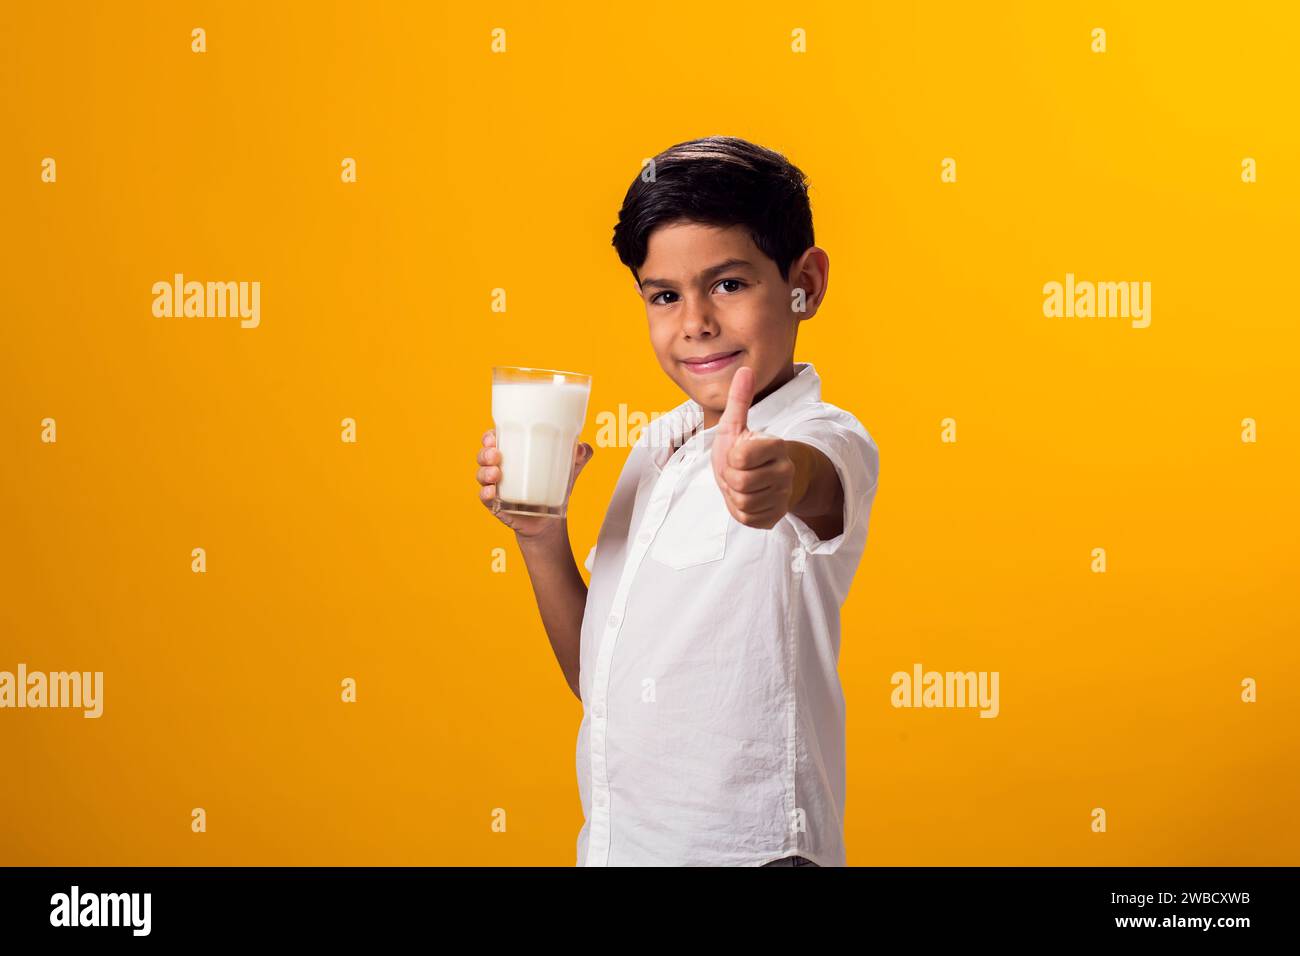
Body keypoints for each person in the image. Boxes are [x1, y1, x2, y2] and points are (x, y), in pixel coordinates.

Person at [475, 136, 880, 866]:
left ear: (805, 284)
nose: (693, 321)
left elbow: (810, 481)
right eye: (664, 295)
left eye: (728, 284)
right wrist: (540, 534)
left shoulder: (821, 435)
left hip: (753, 853)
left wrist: (772, 480)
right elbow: (593, 677)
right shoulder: (655, 451)